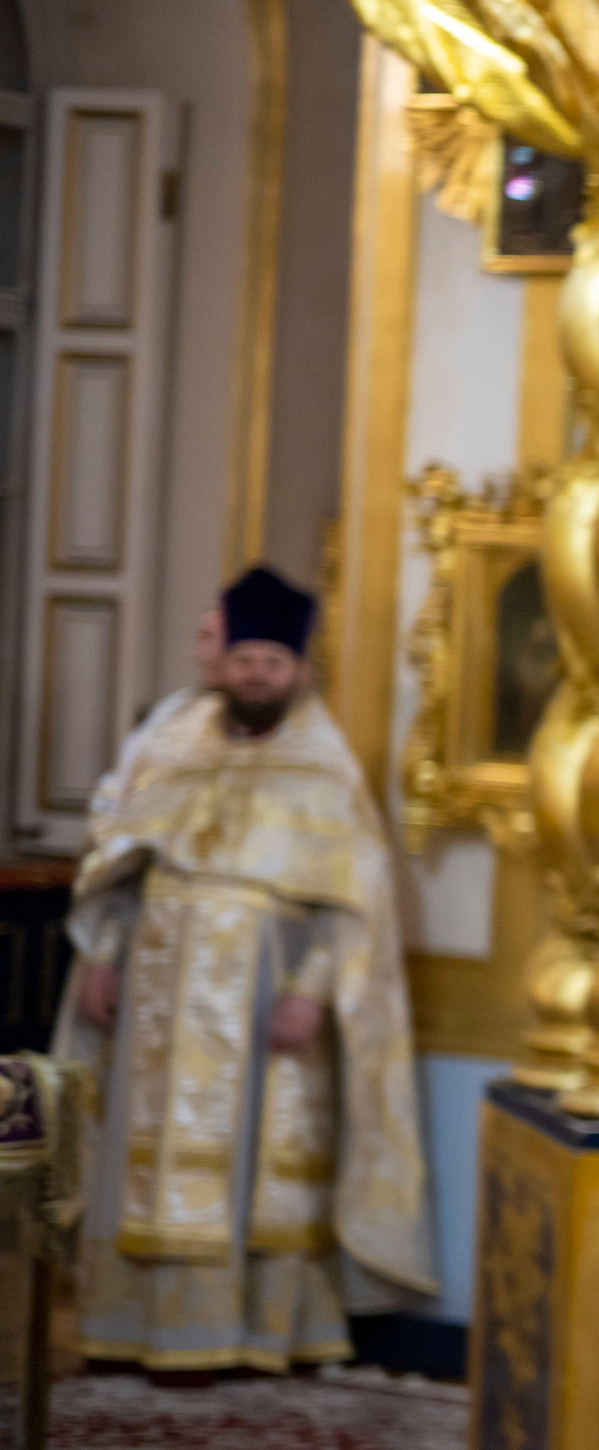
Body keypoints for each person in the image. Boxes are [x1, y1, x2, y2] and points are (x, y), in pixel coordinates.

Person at [55, 566, 433, 1376]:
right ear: (222, 661)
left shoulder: (326, 769)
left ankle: (250, 1334)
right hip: (153, 998)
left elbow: (353, 904)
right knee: (138, 1160)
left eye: (273, 662)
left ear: (298, 671)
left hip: (263, 999)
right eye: (244, 659)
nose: (256, 675)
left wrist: (310, 990)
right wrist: (100, 956)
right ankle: (130, 1328)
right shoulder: (170, 746)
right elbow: (119, 865)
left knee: (248, 1174)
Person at [86, 603, 225, 827]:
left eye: (207, 637)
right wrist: (106, 831)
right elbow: (122, 778)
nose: (195, 653)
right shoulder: (175, 706)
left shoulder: (248, 723)